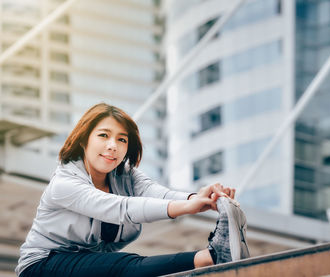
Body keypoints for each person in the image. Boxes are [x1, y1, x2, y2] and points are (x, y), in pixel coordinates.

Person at [16, 103, 249, 277]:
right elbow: (120, 208)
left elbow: (157, 193)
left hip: (88, 265)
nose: (112, 146)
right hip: (41, 266)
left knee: (125, 268)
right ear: (83, 140)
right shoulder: (64, 184)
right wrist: (186, 208)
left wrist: (198, 198)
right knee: (127, 266)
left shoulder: (126, 176)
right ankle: (211, 258)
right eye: (104, 136)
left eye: (122, 140)